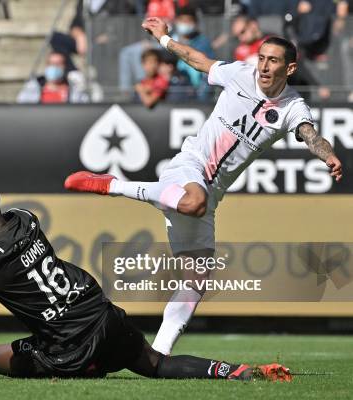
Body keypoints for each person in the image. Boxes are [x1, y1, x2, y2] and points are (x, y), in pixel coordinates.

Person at [0, 182, 291, 381]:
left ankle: (85, 367)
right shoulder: (22, 218)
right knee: (151, 363)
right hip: (97, 306)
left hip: (71, 338)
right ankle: (233, 372)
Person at [65, 17, 343, 357]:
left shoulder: (292, 107)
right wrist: (165, 40)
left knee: (197, 278)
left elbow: (309, 135)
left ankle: (158, 356)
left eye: (273, 61)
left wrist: (327, 155)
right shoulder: (240, 73)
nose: (264, 66)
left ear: (290, 67)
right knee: (193, 201)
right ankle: (116, 186)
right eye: (262, 58)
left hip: (212, 194)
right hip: (189, 167)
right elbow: (199, 60)